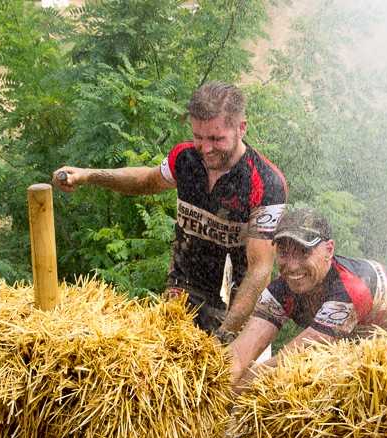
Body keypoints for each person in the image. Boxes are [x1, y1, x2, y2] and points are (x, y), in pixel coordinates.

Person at [52, 81, 287, 343]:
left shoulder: (265, 183)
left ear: (241, 128)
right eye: (199, 136)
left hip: (236, 305)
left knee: (229, 378)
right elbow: (147, 181)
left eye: (216, 139)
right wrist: (89, 175)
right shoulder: (184, 158)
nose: (206, 149)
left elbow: (260, 271)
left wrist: (224, 336)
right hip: (183, 291)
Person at [227, 207, 387, 385]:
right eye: (283, 253)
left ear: (329, 250)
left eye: (303, 252)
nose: (292, 266)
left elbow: (290, 360)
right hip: (370, 360)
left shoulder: (352, 287)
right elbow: (240, 353)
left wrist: (232, 394)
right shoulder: (280, 290)